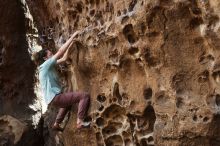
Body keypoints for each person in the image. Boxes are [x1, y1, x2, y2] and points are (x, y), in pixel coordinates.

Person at [33, 31, 91, 130]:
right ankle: (80, 122)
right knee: (84, 96)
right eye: (50, 54)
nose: (52, 55)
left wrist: (71, 45)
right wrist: (73, 36)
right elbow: (60, 52)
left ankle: (56, 124)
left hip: (52, 100)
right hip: (56, 97)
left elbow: (64, 58)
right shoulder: (46, 65)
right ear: (45, 58)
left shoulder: (45, 67)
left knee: (67, 103)